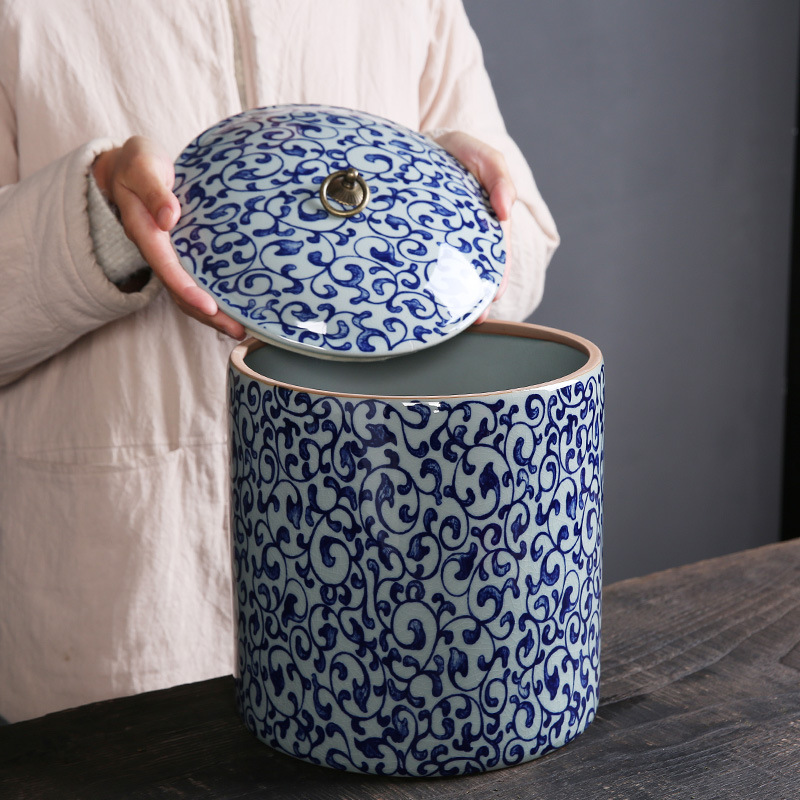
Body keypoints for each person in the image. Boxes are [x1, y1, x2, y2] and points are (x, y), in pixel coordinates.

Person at [0, 0, 559, 722]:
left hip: (366, 588)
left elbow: (527, 247)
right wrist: (103, 214)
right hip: (121, 610)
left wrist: (455, 194)